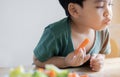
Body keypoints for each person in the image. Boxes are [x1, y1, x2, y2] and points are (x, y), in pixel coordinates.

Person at [33, 0, 113, 72]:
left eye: (110, 4)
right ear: (74, 10)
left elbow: (102, 53)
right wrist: (65, 61)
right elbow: (37, 60)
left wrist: (100, 60)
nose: (108, 12)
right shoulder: (55, 33)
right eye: (100, 6)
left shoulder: (103, 31)